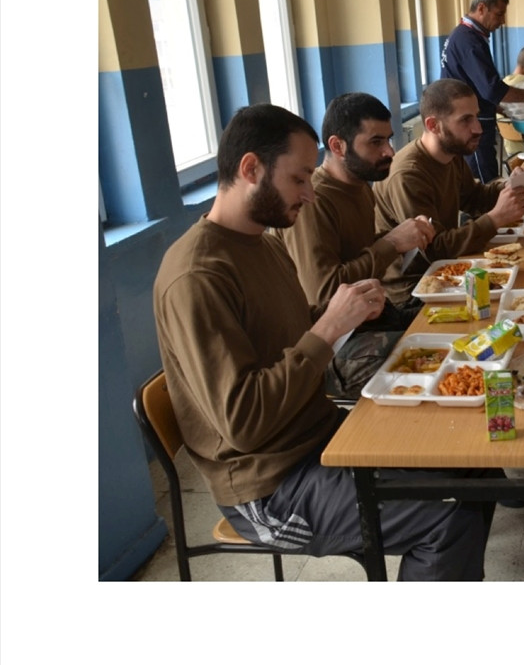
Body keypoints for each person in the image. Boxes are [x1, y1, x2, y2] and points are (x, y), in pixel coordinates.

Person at [152, 104, 493, 579]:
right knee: (448, 519)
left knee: (474, 457)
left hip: (321, 434)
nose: (310, 194)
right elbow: (243, 424)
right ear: (250, 169)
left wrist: (344, 313)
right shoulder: (197, 276)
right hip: (268, 485)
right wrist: (328, 327)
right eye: (298, 179)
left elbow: (291, 330)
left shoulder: (263, 242)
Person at [280, 92, 436, 396]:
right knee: (429, 362)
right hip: (335, 347)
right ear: (338, 146)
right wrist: (391, 243)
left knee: (456, 318)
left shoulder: (361, 186)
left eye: (388, 140)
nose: (389, 151)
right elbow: (325, 293)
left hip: (375, 317)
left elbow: (358, 252)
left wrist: (402, 238)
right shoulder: (313, 203)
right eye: (376, 142)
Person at [374, 78, 524, 307]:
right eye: (465, 120)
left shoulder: (451, 153)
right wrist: (496, 218)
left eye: (476, 117)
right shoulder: (408, 175)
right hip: (416, 291)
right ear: (433, 125)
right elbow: (435, 249)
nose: (478, 128)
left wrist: (509, 186)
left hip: (449, 271)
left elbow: (475, 198)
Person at [441, 0, 524, 183]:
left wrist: (499, 107)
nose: (502, 21)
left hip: (477, 120)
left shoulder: (467, 36)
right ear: (481, 8)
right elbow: (491, 89)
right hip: (470, 125)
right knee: (485, 182)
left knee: (487, 178)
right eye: (499, 14)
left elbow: (475, 85)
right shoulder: (468, 40)